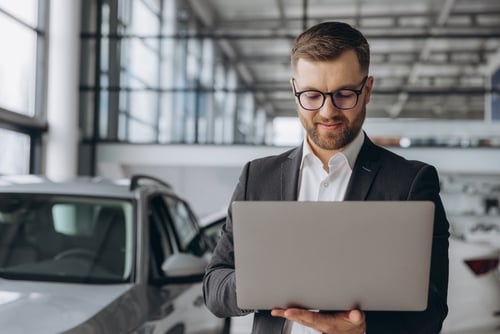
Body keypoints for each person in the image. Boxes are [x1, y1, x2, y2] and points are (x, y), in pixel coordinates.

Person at [203, 21, 449, 334]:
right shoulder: (257, 177)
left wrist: (363, 330)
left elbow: (432, 310)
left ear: (368, 89)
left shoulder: (412, 183)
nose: (327, 111)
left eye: (344, 94)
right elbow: (214, 287)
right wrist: (262, 280)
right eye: (311, 95)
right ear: (294, 90)